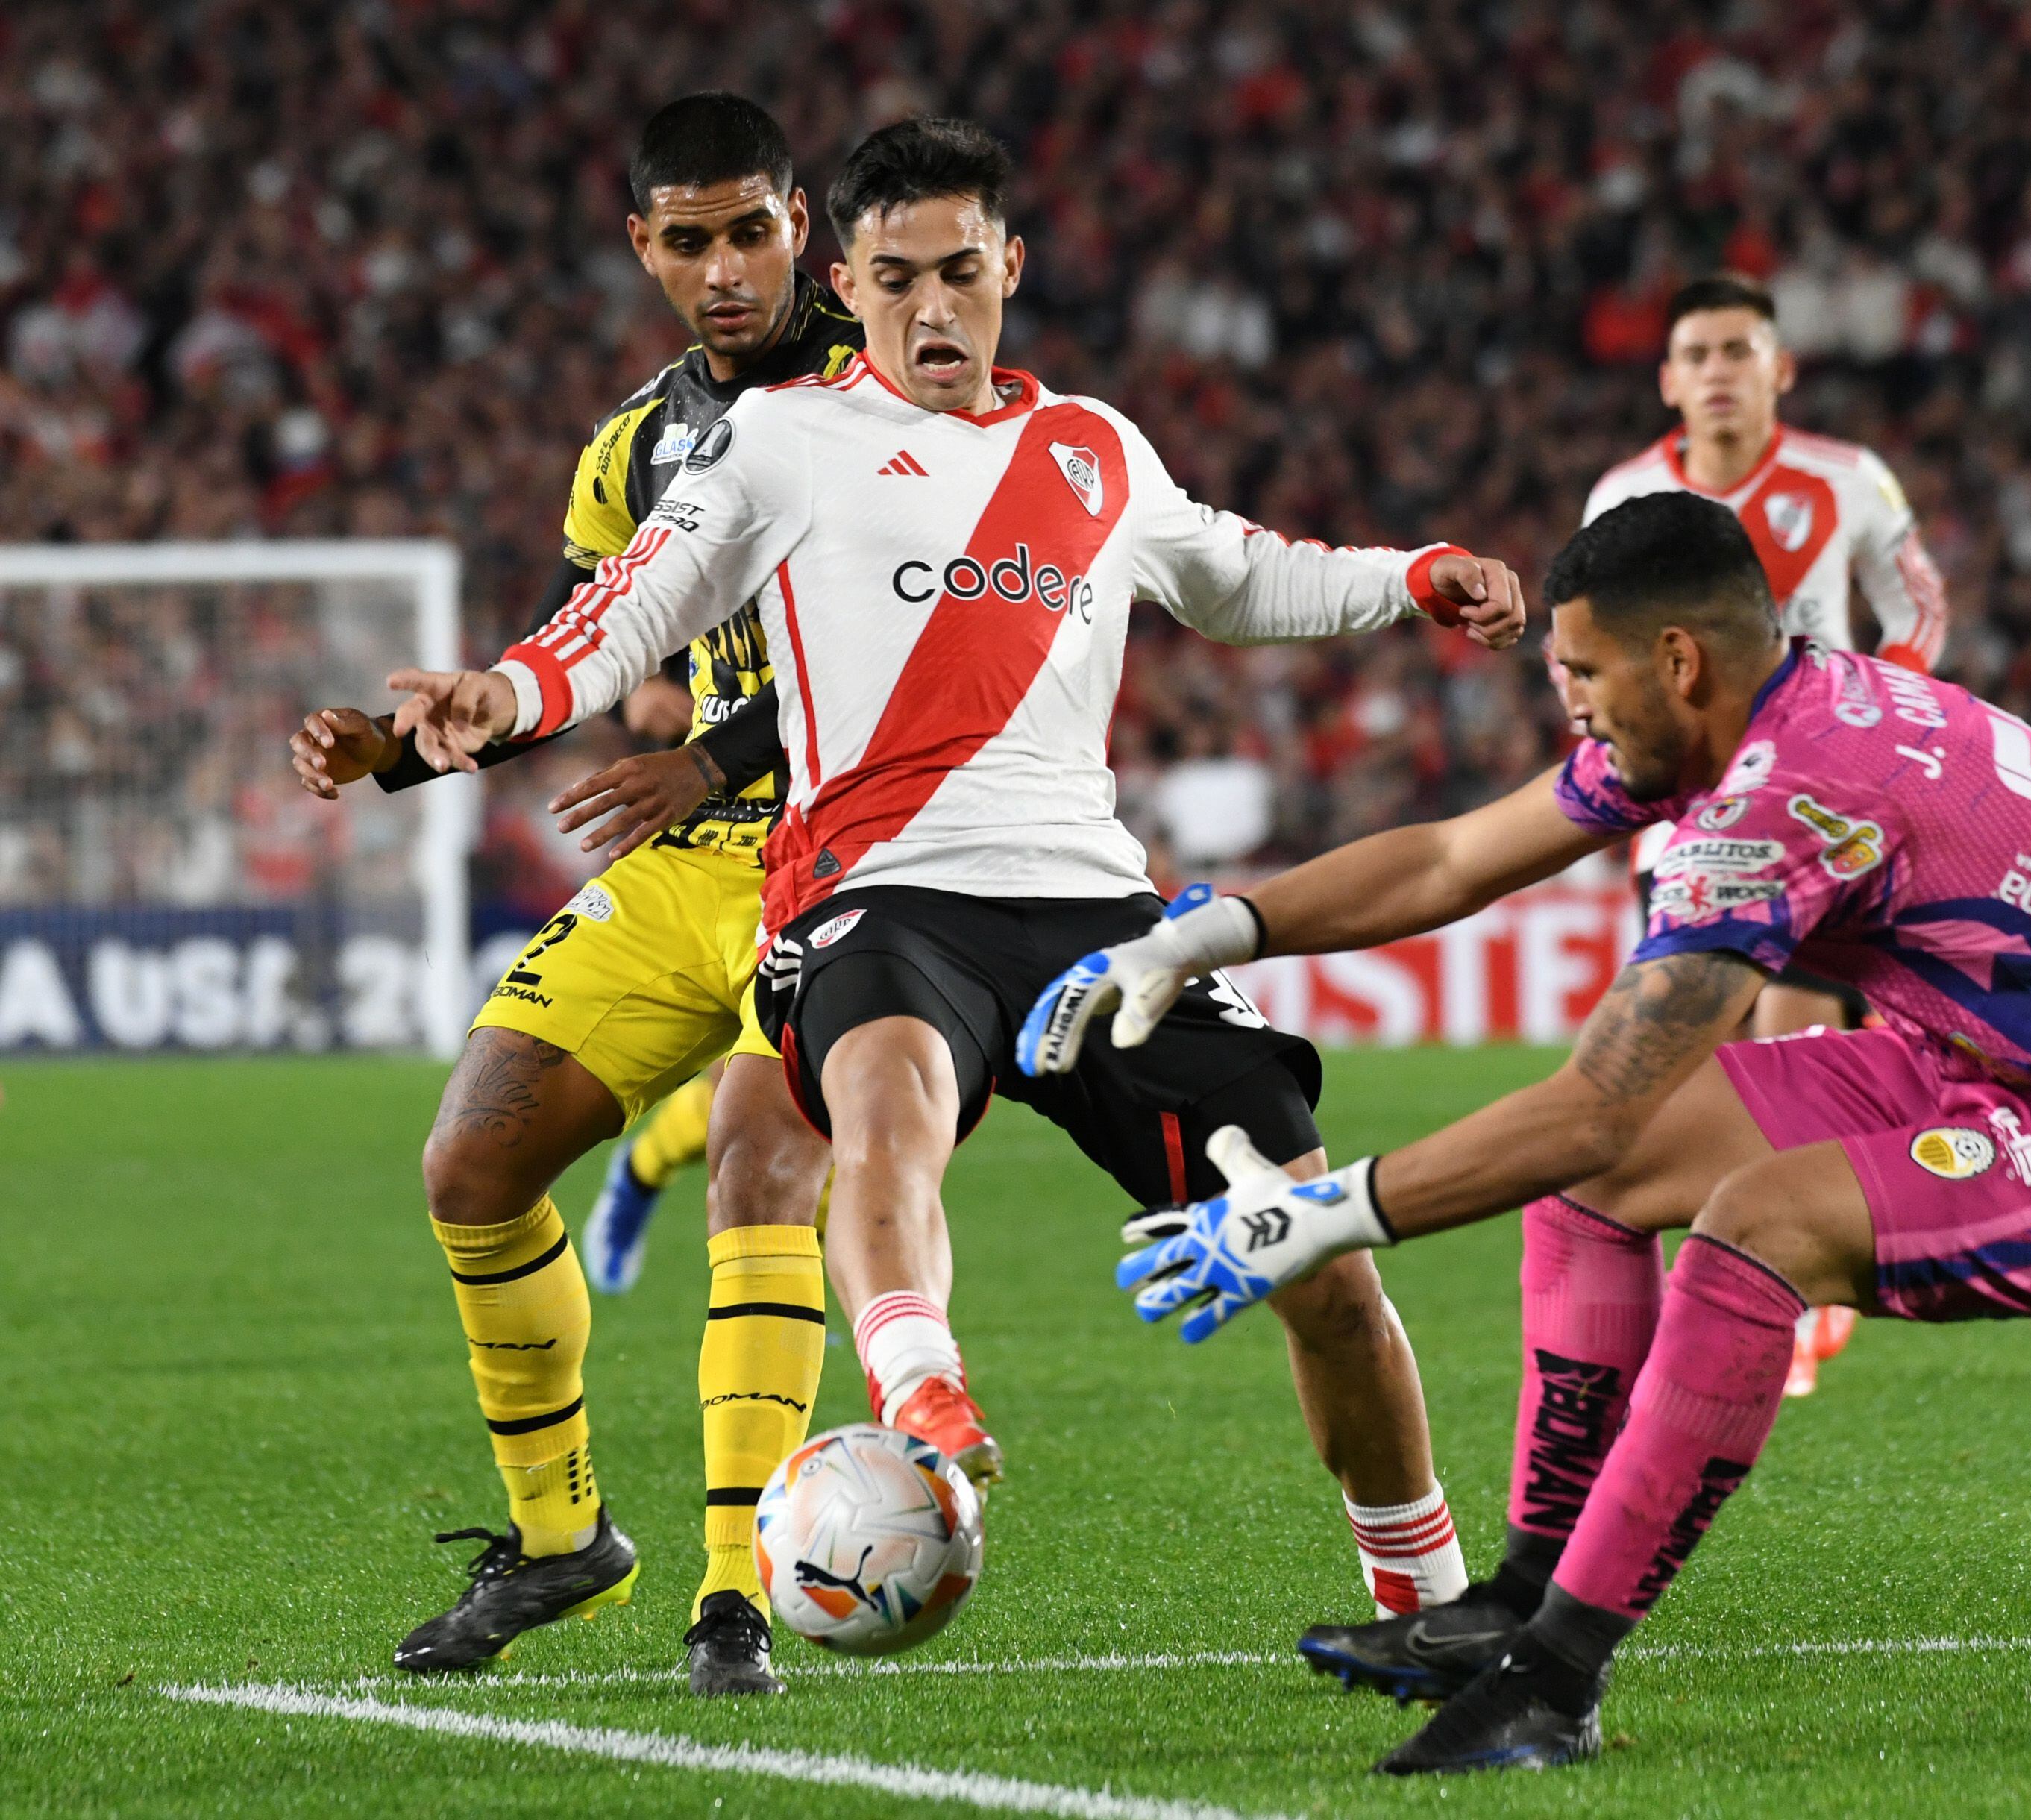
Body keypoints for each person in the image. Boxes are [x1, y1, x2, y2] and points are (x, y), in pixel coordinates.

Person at [380, 118, 1531, 1625]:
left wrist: (1412, 575)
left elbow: (1243, 574)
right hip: (881, 891)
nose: (935, 309)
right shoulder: (781, 443)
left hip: (1102, 912)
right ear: (844, 281)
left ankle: (1430, 1600)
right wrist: (503, 697)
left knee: (1308, 1243)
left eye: (964, 272)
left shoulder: (1096, 450)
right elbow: (626, 610)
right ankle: (921, 1390)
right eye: (898, 276)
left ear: (1012, 269)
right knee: (885, 1096)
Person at [1020, 492, 2031, 1775]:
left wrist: (1318, 1217)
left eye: (1579, 670)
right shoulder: (1740, 716)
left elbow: (1592, 1105)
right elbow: (1456, 859)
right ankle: (1514, 1602)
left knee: (1751, 1227)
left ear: (1678, 660)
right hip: (1967, 1057)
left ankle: (1555, 1680)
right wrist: (1211, 932)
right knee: (1606, 1181)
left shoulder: (1789, 799)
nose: (1567, 699)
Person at [289, 92, 859, 1696]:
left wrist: (720, 755)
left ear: (800, 222)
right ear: (644, 247)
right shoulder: (636, 441)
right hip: (694, 859)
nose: (727, 267)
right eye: (691, 240)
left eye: (753, 229)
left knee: (757, 1158)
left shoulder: (894, 400)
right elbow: (578, 642)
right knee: (473, 1154)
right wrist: (396, 750)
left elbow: (942, 644)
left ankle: (736, 1587)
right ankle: (561, 1539)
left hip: (862, 852)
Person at [1585, 272, 1954, 1393]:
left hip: (1818, 811)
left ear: (1779, 368)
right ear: (1668, 380)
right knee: (1700, 1055)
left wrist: (1868, 720)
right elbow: (1597, 647)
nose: (1717, 373)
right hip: (1686, 814)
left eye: (1739, 351)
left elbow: (1919, 607)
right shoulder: (1625, 494)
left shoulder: (1845, 481)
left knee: (1795, 1044)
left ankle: (1797, 1283)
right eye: (1696, 354)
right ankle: (1739, 1273)